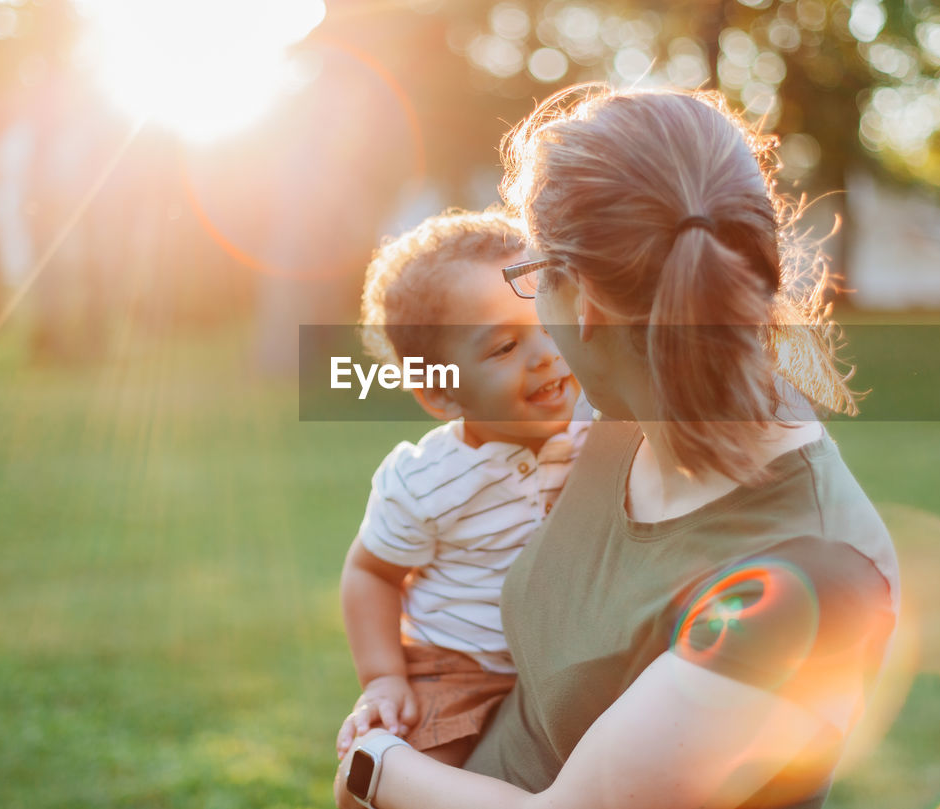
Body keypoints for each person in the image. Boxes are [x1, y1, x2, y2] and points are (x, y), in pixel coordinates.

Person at [334, 86, 899, 809]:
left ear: (587, 306)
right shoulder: (608, 419)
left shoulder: (812, 577)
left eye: (532, 277)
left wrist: (372, 765)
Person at [337, 209, 590, 768]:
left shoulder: (599, 422)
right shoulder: (426, 480)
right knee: (404, 776)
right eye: (504, 348)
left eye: (551, 323)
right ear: (440, 393)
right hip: (458, 665)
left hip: (566, 657)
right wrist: (382, 678)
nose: (546, 354)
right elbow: (370, 572)